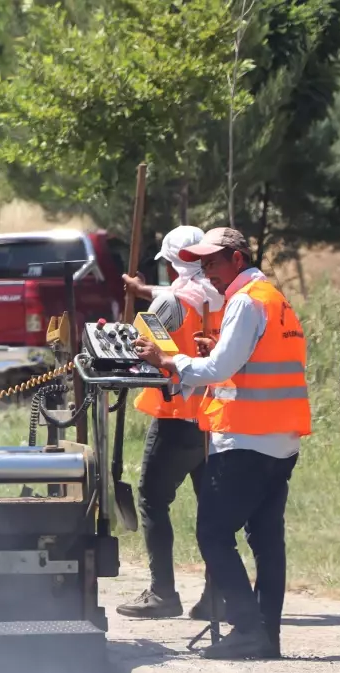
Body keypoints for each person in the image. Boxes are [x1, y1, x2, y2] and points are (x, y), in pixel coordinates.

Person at [135, 227, 311, 660]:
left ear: (236, 259)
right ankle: (266, 635)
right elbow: (252, 358)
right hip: (280, 438)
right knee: (267, 540)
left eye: (212, 262)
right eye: (202, 263)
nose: (207, 272)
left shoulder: (246, 301)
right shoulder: (273, 297)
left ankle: (248, 629)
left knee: (213, 533)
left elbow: (217, 369)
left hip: (247, 437)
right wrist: (216, 349)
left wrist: (168, 360)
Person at [114, 226, 227, 620]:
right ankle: (217, 594)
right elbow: (178, 297)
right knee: (212, 508)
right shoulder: (222, 293)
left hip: (176, 414)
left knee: (151, 498)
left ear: (172, 262)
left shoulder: (173, 301)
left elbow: (139, 346)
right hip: (214, 417)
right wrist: (143, 291)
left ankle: (163, 592)